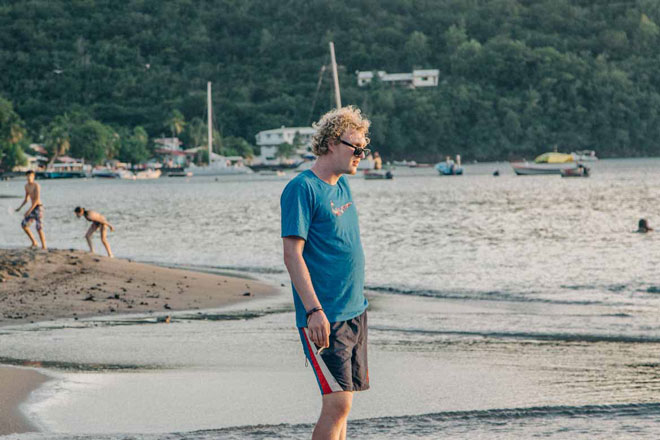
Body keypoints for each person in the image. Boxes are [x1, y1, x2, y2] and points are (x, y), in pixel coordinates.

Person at [281, 106, 370, 440]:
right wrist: (313, 311)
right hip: (325, 316)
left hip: (354, 311)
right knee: (337, 404)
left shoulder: (342, 186)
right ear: (332, 143)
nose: (361, 155)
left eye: (364, 148)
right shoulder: (302, 188)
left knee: (344, 405)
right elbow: (292, 255)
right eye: (355, 148)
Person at [15, 170, 47, 249]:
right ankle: (34, 242)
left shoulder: (36, 185)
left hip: (38, 207)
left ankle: (44, 246)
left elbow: (37, 200)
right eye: (28, 176)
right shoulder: (26, 186)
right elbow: (26, 199)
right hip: (32, 208)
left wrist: (29, 211)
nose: (29, 177)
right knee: (24, 224)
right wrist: (20, 207)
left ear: (33, 177)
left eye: (30, 176)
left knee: (39, 228)